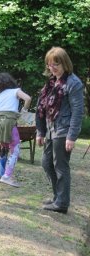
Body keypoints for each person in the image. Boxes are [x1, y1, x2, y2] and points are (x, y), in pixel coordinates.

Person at [36, 47, 84, 214]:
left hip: (63, 130)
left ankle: (62, 203)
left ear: (64, 63)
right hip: (50, 129)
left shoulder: (73, 83)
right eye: (49, 64)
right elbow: (41, 107)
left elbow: (78, 111)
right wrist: (40, 132)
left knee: (60, 166)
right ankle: (58, 197)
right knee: (46, 163)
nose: (52, 67)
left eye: (56, 64)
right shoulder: (51, 82)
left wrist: (72, 136)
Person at [0, 72, 32, 187]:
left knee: (3, 148)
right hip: (9, 122)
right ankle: (7, 176)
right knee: (15, 149)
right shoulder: (15, 91)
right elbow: (28, 99)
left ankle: (0, 174)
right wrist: (23, 112)